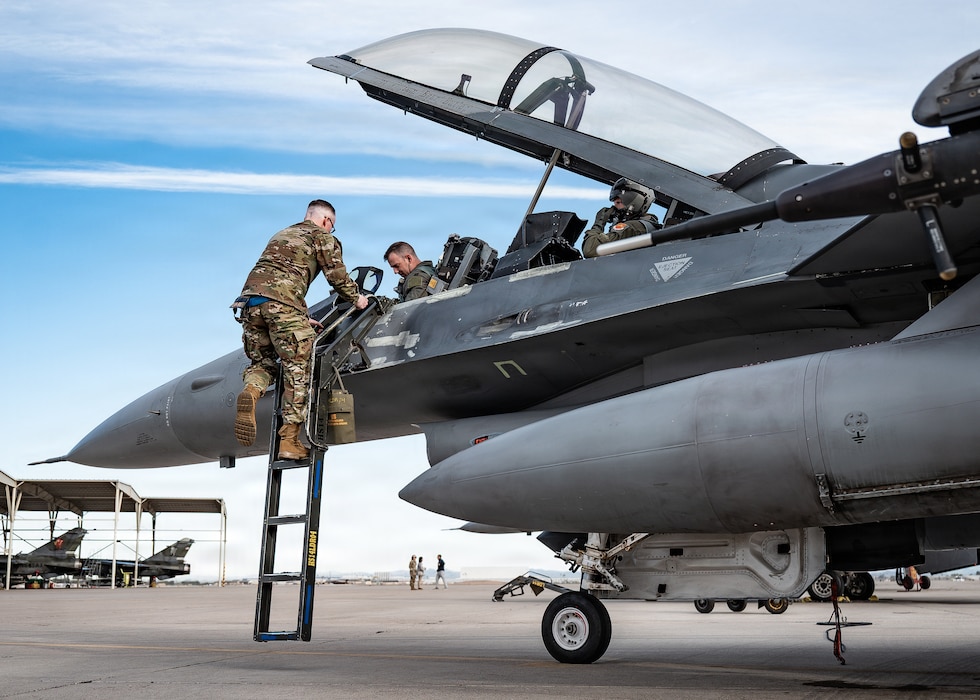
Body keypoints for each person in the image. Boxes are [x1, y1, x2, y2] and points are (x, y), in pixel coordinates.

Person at [233, 199, 369, 461]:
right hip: (283, 305)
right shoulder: (321, 236)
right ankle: (289, 441)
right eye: (333, 227)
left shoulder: (283, 233)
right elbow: (336, 275)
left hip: (249, 304)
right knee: (298, 369)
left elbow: (279, 277)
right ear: (327, 222)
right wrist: (357, 299)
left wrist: (302, 317)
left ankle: (251, 390)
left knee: (263, 362)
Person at [581, 178, 661, 258]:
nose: (614, 206)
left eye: (618, 202)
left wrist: (599, 223)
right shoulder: (647, 226)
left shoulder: (632, 227)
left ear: (636, 201)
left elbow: (590, 250)